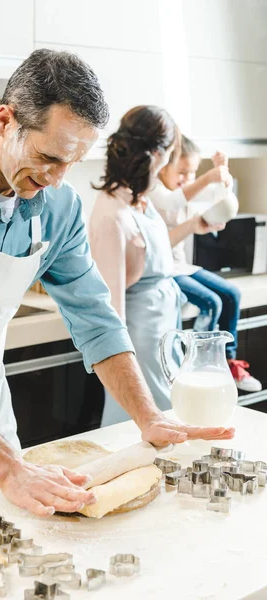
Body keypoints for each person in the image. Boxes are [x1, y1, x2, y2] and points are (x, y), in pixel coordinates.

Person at [0, 53, 233, 518]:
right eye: (48, 158)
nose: (57, 179)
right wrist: (8, 471)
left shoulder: (57, 206)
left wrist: (150, 416)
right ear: (5, 121)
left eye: (73, 162)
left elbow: (97, 318)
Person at [90, 106, 225, 424]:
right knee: (156, 417)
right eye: (170, 154)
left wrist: (194, 225)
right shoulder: (112, 213)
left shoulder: (142, 198)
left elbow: (162, 245)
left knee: (174, 414)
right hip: (143, 338)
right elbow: (111, 309)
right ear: (156, 155)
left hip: (164, 326)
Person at [149, 135, 261, 393]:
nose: (187, 179)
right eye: (183, 172)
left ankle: (230, 362)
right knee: (212, 302)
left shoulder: (181, 191)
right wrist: (207, 180)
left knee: (232, 293)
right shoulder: (156, 194)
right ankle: (197, 366)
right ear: (164, 166)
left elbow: (221, 196)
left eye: (192, 174)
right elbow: (161, 240)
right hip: (164, 271)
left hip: (182, 266)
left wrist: (224, 172)